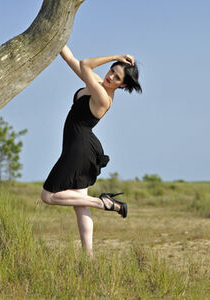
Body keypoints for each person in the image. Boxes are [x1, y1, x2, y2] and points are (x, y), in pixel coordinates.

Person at [40, 44, 142, 254]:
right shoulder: (95, 82)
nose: (110, 77)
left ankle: (103, 203)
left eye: (117, 77)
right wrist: (57, 36)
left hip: (79, 149)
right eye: (112, 71)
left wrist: (117, 56)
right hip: (79, 145)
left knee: (48, 196)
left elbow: (85, 64)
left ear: (122, 86)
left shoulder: (103, 97)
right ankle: (89, 257)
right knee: (80, 204)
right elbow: (72, 60)